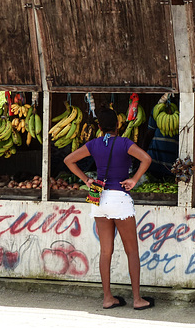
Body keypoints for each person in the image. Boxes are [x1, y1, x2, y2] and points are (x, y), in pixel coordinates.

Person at [63, 106, 155, 311]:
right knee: (132, 251)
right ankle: (138, 299)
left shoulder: (94, 144)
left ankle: (107, 298)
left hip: (100, 200)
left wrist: (86, 179)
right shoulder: (124, 143)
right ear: (118, 124)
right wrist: (134, 179)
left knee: (106, 252)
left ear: (99, 126)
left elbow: (68, 160)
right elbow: (146, 159)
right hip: (119, 199)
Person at [142, 110, 179, 182]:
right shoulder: (157, 111)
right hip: (154, 161)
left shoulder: (181, 113)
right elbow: (149, 133)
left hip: (172, 165)